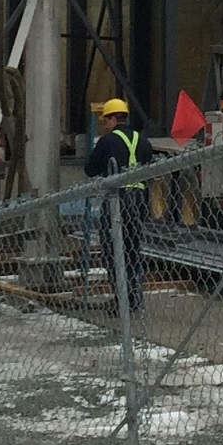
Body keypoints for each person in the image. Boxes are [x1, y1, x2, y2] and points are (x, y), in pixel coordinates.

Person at [86, 98, 154, 314]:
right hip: (139, 199)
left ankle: (122, 298)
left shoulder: (107, 142)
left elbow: (90, 169)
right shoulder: (143, 140)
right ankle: (135, 295)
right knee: (132, 248)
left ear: (114, 118)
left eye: (106, 120)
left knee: (112, 248)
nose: (105, 124)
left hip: (118, 198)